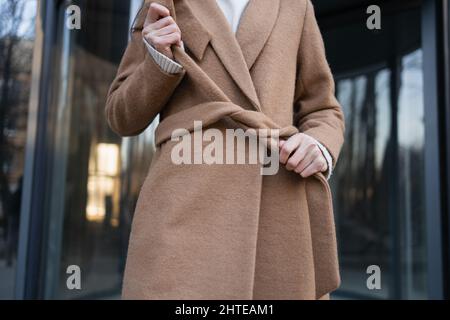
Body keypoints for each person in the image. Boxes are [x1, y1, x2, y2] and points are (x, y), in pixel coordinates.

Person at [106, 0, 345, 300]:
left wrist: (319, 144)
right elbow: (121, 116)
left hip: (274, 207)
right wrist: (156, 60)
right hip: (182, 205)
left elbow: (323, 108)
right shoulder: (166, 3)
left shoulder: (295, 5)